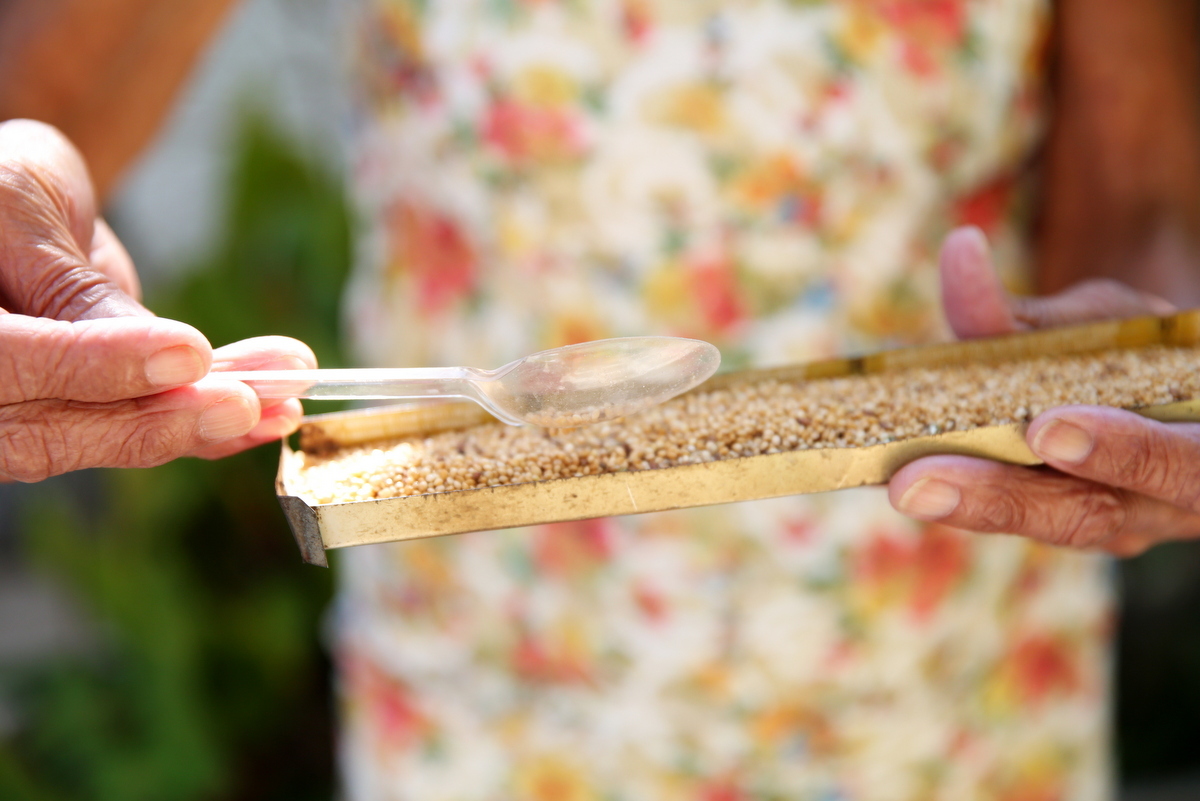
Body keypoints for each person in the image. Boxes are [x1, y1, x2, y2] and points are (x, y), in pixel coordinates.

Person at [1, 1, 1198, 799]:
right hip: (498, 679)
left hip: (947, 680)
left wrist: (1143, 384)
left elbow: (1144, 197)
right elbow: (51, 110)